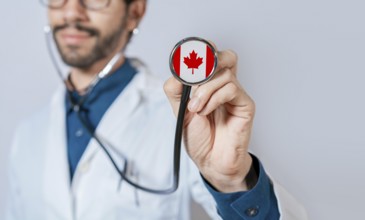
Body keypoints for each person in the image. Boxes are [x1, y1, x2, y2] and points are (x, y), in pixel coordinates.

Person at [6, 0, 307, 219]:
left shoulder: (189, 117)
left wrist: (231, 181)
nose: (71, 11)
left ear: (134, 12)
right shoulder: (26, 135)